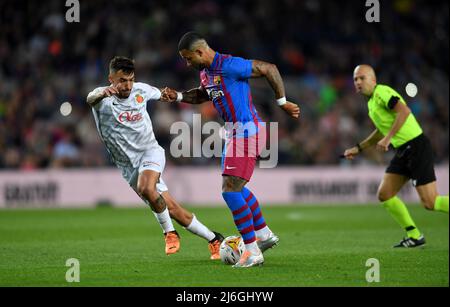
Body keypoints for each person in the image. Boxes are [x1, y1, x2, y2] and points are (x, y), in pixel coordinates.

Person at [162, 32, 300, 267]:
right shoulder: (206, 73)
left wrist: (282, 102)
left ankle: (253, 251)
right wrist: (179, 96)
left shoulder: (229, 65)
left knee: (230, 191)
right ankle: (264, 234)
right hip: (234, 133)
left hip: (247, 132)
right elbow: (205, 94)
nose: (187, 63)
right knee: (236, 187)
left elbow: (269, 68)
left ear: (199, 52)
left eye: (188, 58)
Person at [86, 56, 224, 259]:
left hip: (150, 152)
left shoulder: (141, 90)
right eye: (122, 80)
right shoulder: (101, 98)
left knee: (146, 188)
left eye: (131, 79)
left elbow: (163, 93)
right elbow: (90, 98)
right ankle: (215, 239)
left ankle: (169, 234)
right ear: (111, 79)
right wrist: (102, 93)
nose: (128, 85)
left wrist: (174, 95)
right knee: (173, 209)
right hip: (128, 167)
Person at [343, 64, 449, 248]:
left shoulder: (382, 92)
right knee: (385, 194)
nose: (358, 82)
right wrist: (359, 148)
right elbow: (380, 130)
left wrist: (388, 138)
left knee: (431, 202)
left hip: (416, 146)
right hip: (403, 150)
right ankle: (414, 235)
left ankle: (415, 235)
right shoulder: (371, 103)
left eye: (362, 78)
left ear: (373, 80)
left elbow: (404, 111)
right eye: (355, 79)